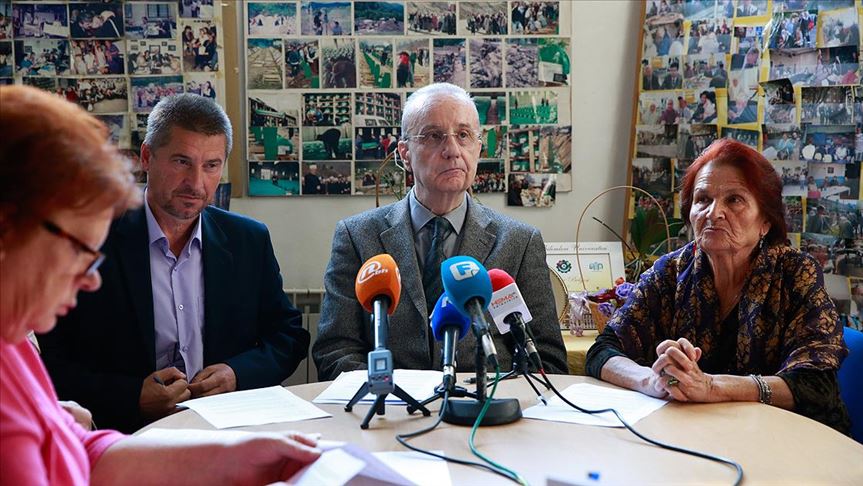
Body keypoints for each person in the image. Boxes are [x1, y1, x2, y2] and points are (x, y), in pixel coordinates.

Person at [0, 85, 321, 484]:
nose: (90, 277)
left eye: (211, 165)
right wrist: (125, 398)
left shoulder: (14, 343)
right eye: (79, 251)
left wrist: (228, 455)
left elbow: (85, 451)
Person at [585, 139, 850, 434]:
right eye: (702, 199)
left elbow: (815, 385)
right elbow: (603, 351)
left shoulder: (795, 273)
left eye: (734, 200)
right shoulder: (670, 271)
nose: (713, 213)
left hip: (790, 440)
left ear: (765, 221)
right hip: (698, 436)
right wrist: (652, 380)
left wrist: (711, 386)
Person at [313, 83, 568, 381]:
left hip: (484, 404)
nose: (452, 151)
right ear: (405, 153)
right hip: (392, 404)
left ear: (478, 148)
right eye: (434, 136)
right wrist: (394, 394)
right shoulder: (357, 236)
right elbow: (335, 351)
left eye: (464, 135)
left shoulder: (519, 242)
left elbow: (546, 361)